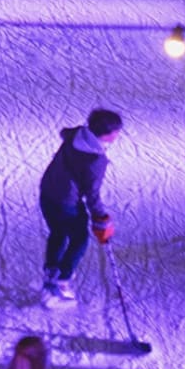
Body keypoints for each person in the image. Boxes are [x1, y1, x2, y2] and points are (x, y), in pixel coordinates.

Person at [38, 107, 123, 305]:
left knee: (58, 232)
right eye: (115, 131)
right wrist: (101, 217)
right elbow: (92, 194)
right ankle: (62, 280)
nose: (118, 134)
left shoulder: (77, 134)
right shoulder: (95, 160)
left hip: (48, 192)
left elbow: (65, 132)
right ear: (105, 134)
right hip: (66, 201)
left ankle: (51, 272)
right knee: (80, 239)